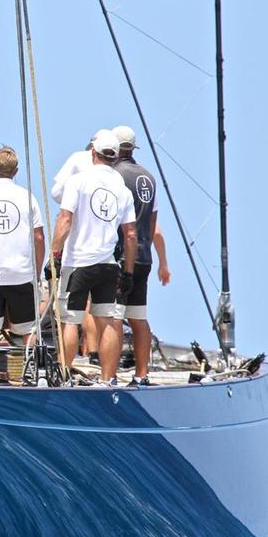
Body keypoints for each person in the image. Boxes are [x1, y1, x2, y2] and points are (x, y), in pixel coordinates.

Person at [50, 131, 137, 385]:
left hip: (77, 262)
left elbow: (65, 220)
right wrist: (128, 272)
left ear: (93, 152)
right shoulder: (122, 189)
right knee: (107, 320)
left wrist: (55, 254)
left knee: (70, 320)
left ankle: (64, 376)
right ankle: (108, 378)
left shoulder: (78, 182)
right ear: (116, 157)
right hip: (108, 264)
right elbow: (130, 235)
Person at [111, 125, 170, 387]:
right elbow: (153, 225)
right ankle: (141, 374)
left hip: (123, 255)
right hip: (145, 256)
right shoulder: (149, 178)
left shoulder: (114, 176)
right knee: (138, 316)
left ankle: (108, 375)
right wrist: (163, 263)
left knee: (111, 316)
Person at [48, 129, 111, 359]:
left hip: (77, 246)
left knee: (72, 314)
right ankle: (94, 354)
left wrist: (53, 254)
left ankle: (67, 366)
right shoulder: (115, 178)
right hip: (106, 251)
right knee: (100, 310)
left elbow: (56, 194)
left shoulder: (77, 163)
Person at [0, 147, 45, 345]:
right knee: (28, 330)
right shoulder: (27, 197)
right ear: (16, 171)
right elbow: (39, 238)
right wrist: (36, 274)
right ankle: (30, 371)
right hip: (21, 274)